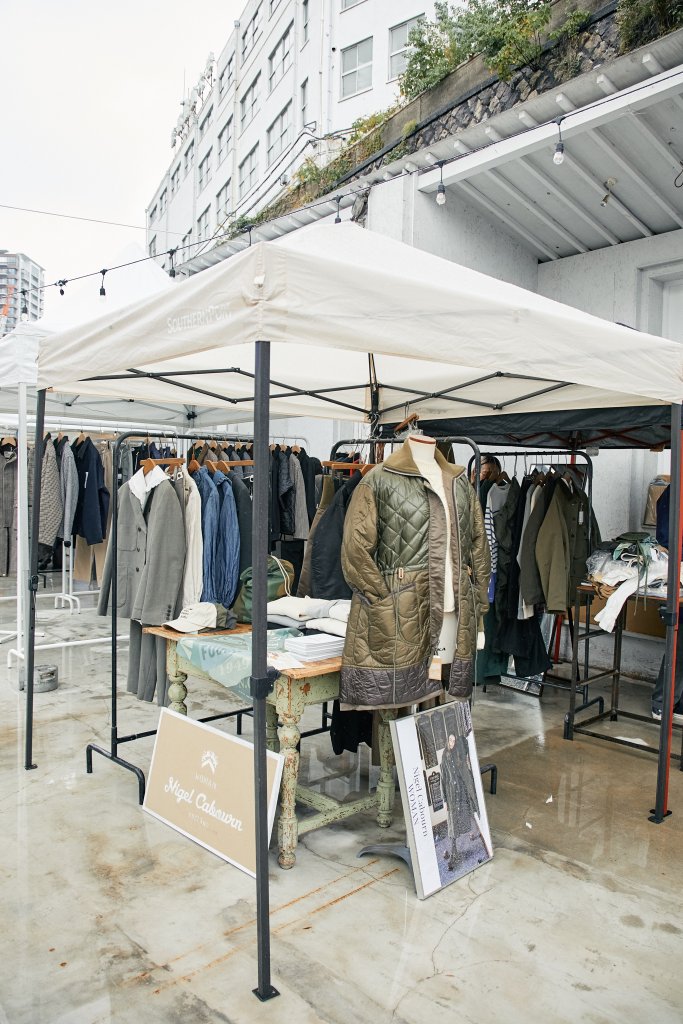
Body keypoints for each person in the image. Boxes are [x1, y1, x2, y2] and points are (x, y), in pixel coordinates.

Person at [651, 485, 683, 724]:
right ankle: (662, 703)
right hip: (678, 573)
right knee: (679, 644)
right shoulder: (675, 491)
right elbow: (667, 537)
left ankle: (677, 702)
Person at [440, 733, 480, 867]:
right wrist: (445, 800)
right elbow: (443, 780)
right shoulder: (444, 759)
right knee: (452, 823)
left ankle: (475, 832)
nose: (452, 743)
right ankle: (453, 851)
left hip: (461, 791)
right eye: (450, 740)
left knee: (467, 813)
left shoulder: (458, 754)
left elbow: (466, 748)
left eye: (454, 741)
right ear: (447, 741)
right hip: (452, 794)